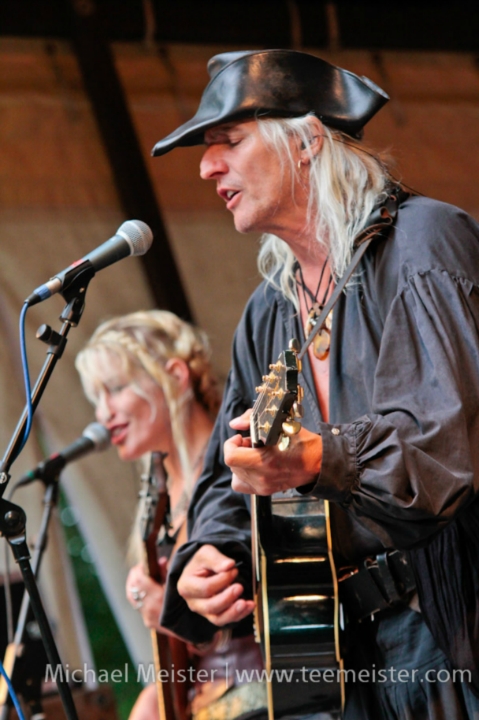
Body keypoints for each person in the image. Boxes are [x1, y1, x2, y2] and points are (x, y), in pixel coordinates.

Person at [148, 49, 479, 720]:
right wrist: (210, 550)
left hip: (445, 627)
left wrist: (316, 457)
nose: (208, 166)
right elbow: (223, 472)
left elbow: (444, 447)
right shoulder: (269, 309)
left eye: (228, 143)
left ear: (303, 143)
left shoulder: (421, 242)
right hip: (327, 653)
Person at [75, 309, 267, 720]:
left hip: (268, 694)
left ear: (177, 376)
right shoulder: (157, 500)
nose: (103, 414)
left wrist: (174, 608)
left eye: (115, 388)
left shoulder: (240, 465)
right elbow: (174, 667)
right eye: (97, 399)